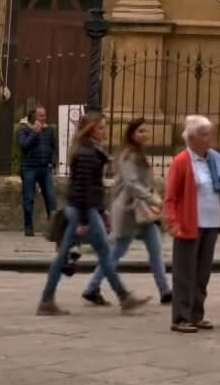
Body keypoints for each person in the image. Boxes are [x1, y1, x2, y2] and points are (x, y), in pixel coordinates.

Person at [38, 113, 149, 315]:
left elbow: (90, 187)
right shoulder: (87, 154)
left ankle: (48, 300)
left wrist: (99, 211)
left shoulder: (92, 151)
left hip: (85, 209)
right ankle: (123, 297)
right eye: (101, 128)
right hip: (82, 210)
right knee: (92, 254)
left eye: (104, 127)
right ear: (90, 130)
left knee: (90, 254)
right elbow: (82, 188)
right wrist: (84, 219)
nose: (104, 131)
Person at [83, 119, 172, 307]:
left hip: (143, 212)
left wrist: (150, 197)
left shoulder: (138, 154)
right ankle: (92, 287)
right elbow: (131, 184)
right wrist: (152, 198)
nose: (144, 134)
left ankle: (165, 290)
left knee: (155, 250)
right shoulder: (127, 156)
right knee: (116, 252)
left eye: (146, 131)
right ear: (131, 134)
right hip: (128, 210)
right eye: (140, 131)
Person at [163, 114, 220, 333]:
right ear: (192, 138)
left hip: (210, 223)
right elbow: (170, 196)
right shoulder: (182, 161)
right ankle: (181, 317)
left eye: (209, 133)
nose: (209, 138)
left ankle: (196, 314)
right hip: (189, 223)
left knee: (202, 273)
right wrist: (172, 221)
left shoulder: (214, 159)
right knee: (185, 273)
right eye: (204, 134)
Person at [15, 105, 57, 238]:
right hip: (29, 168)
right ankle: (28, 227)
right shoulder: (23, 129)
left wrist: (52, 163)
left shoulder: (49, 130)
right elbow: (24, 146)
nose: (44, 118)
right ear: (34, 117)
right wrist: (34, 132)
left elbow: (53, 147)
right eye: (41, 116)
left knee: (50, 197)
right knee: (28, 198)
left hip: (45, 168)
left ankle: (54, 228)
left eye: (45, 115)